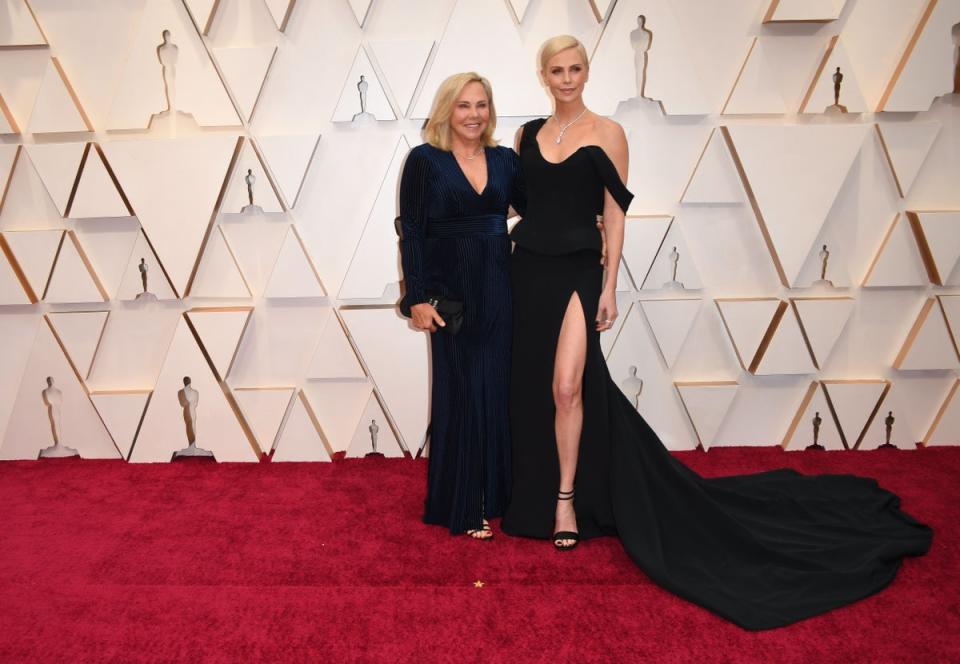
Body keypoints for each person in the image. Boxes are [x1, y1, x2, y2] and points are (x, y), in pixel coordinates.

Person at [502, 35, 932, 631]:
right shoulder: (525, 136)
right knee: (532, 387)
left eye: (576, 68)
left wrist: (610, 284)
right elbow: (516, 205)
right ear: (544, 75)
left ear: (587, 71)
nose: (567, 77)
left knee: (568, 386)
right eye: (558, 69)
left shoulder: (609, 134)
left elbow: (616, 211)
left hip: (578, 269)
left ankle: (566, 500)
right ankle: (530, 489)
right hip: (527, 271)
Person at [399, 72, 523, 540]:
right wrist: (417, 298)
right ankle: (463, 503)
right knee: (461, 390)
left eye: (482, 105)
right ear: (447, 109)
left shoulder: (506, 161)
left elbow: (537, 207)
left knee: (497, 389)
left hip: (501, 287)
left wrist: (590, 220)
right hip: (449, 293)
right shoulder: (425, 162)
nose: (474, 114)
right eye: (465, 105)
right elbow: (412, 231)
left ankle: (500, 495)